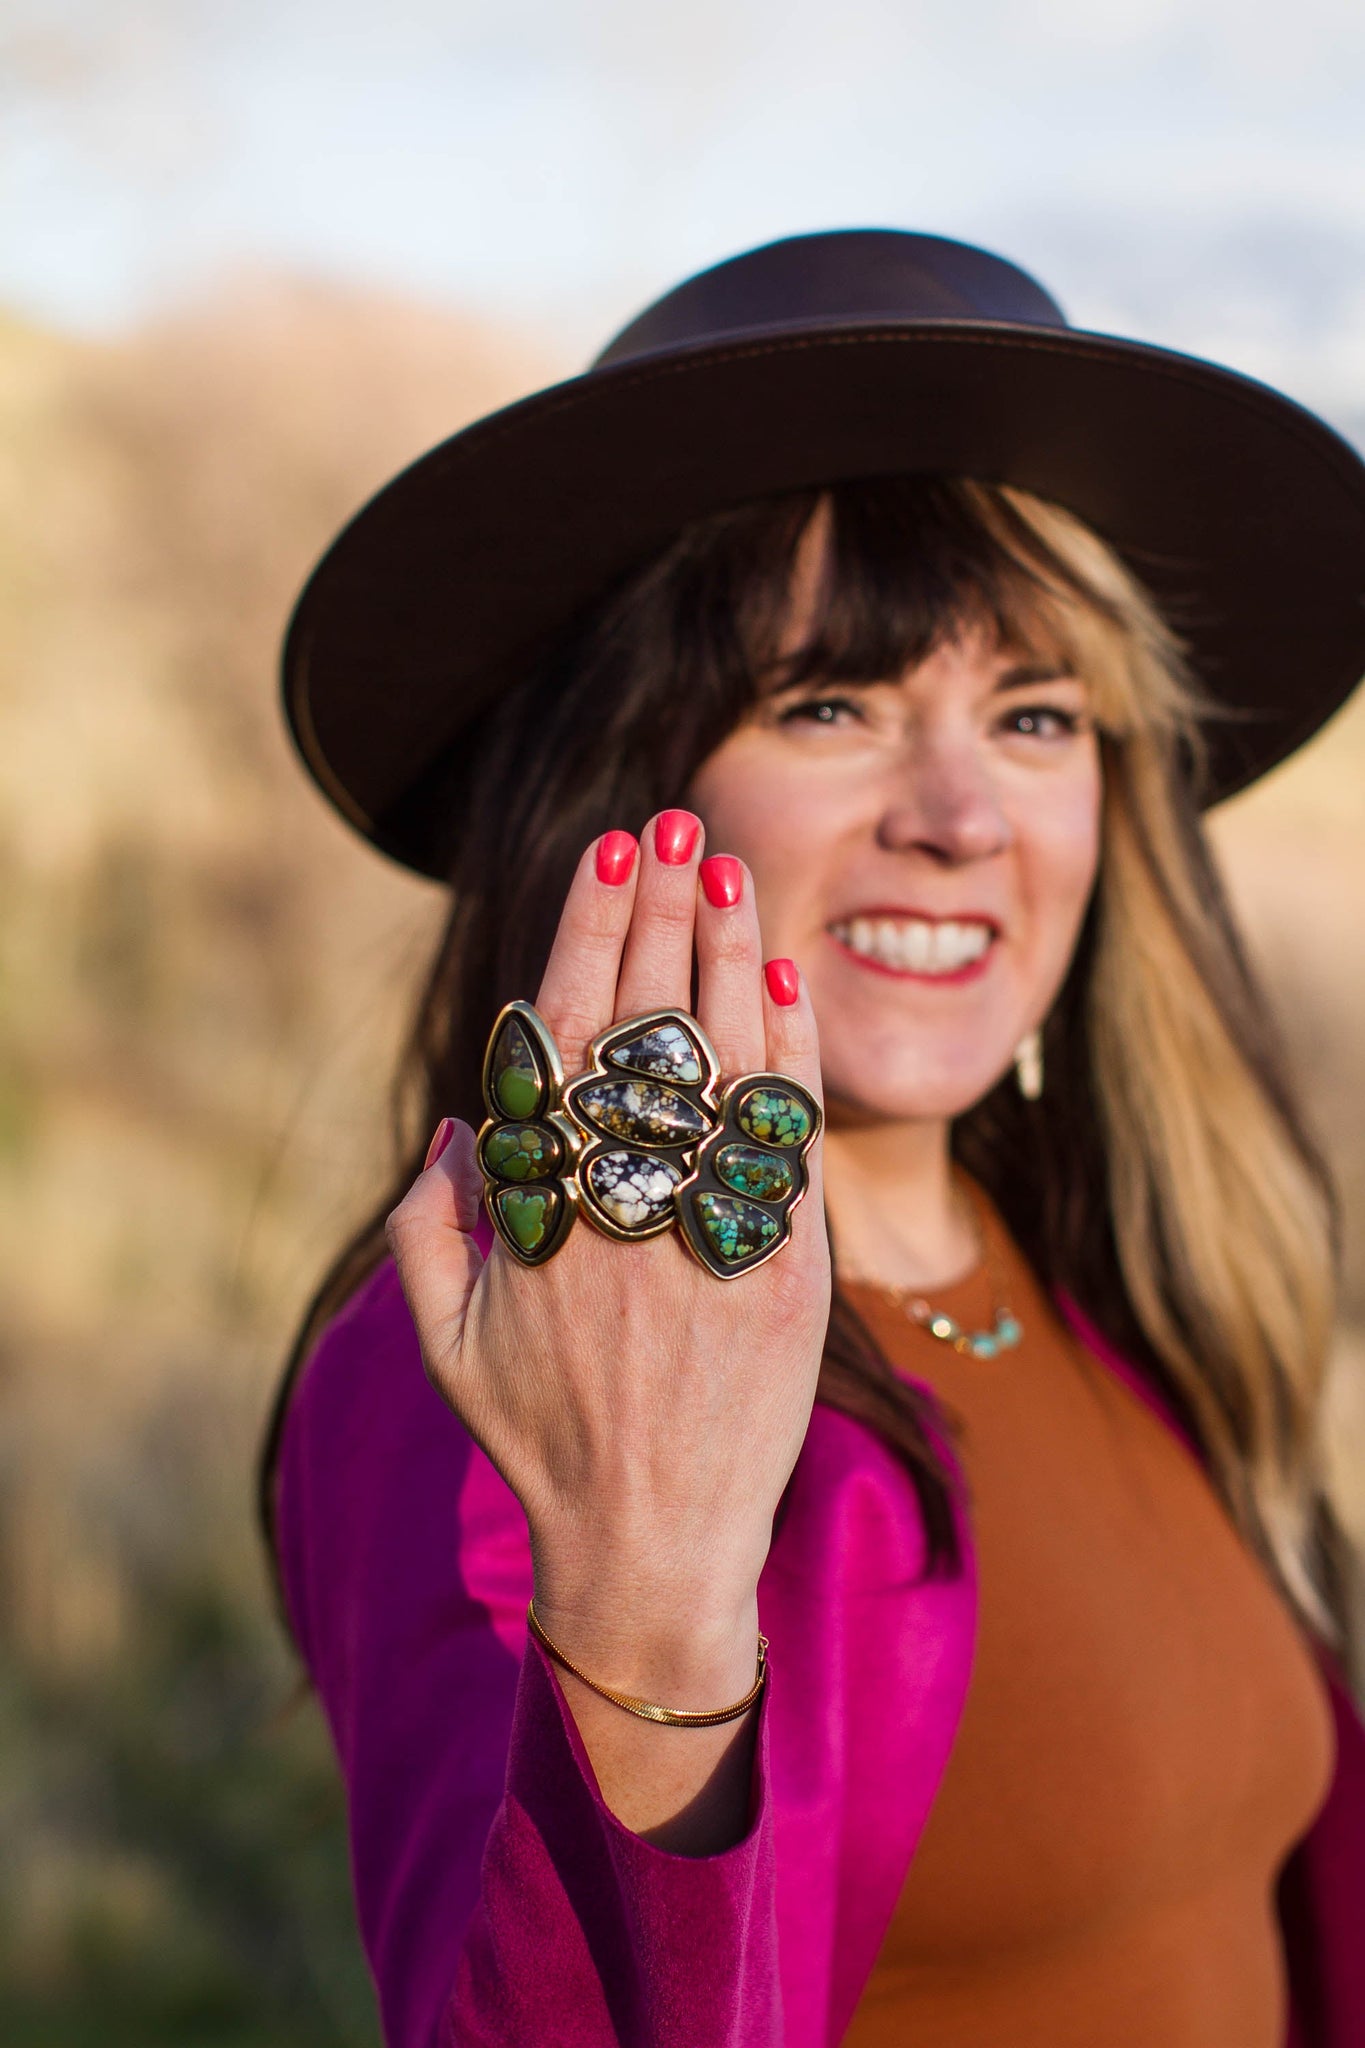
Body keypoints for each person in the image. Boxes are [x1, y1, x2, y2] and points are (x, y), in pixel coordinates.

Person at [260, 231, 1365, 2047]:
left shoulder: (1119, 1286)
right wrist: (642, 1588)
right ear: (628, 788)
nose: (957, 816)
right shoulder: (501, 1363)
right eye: (830, 702)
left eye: (1032, 716)